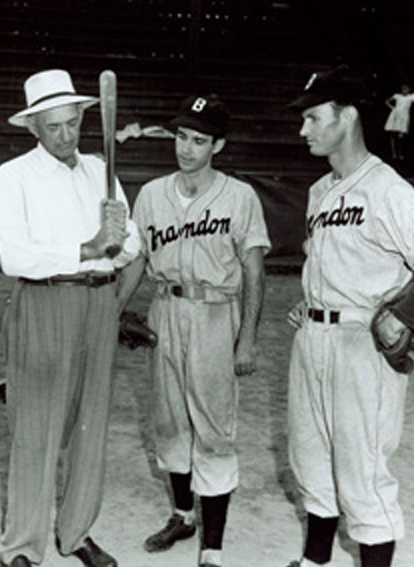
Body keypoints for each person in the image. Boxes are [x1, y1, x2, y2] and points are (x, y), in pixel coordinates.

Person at [282, 65, 414, 567]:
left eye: (313, 117)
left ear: (346, 116)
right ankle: (316, 561)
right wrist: (313, 298)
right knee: (312, 461)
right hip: (314, 341)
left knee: (362, 474)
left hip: (361, 347)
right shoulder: (321, 192)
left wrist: (401, 315)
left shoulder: (387, 189)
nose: (304, 129)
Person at [0, 69, 140, 567]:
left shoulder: (101, 169)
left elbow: (132, 243)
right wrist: (88, 246)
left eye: (71, 124)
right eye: (52, 127)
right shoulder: (14, 176)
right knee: (36, 427)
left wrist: (120, 241)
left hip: (100, 302)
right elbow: (14, 256)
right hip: (44, 300)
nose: (64, 136)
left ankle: (76, 533)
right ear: (32, 126)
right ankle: (22, 545)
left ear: (82, 119)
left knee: (90, 425)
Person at [116, 95, 271, 567]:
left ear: (218, 145)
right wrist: (111, 311)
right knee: (168, 421)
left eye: (199, 140)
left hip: (215, 314)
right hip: (165, 311)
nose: (186, 148)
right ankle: (183, 516)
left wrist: (247, 337)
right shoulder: (151, 194)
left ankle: (214, 547)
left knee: (213, 425)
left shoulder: (239, 196)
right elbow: (139, 258)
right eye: (181, 137)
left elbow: (254, 270)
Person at [383, 83, 414, 160]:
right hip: (395, 115)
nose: (404, 90)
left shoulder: (411, 97)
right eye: (403, 89)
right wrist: (392, 108)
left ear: (409, 89)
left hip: (404, 116)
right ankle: (393, 153)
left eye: (406, 89)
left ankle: (400, 153)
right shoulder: (397, 96)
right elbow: (387, 101)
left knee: (401, 136)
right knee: (392, 134)